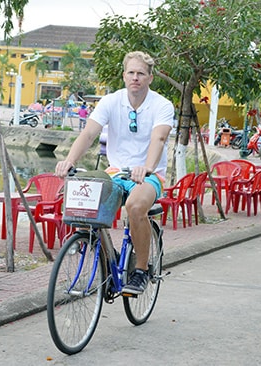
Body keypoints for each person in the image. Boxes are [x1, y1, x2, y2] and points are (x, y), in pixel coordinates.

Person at [55, 51, 174, 295]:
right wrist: (69, 160)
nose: (135, 78)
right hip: (116, 172)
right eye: (131, 72)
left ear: (150, 78)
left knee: (135, 207)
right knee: (86, 200)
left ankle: (140, 270)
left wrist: (147, 167)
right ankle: (107, 255)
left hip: (149, 175)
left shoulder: (162, 105)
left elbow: (159, 138)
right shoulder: (111, 101)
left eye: (141, 73)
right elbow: (89, 133)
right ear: (124, 75)